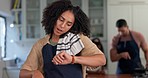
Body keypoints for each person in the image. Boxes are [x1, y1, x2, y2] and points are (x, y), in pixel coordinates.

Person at [19, 0, 106, 78]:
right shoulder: (40, 45)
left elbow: (101, 60)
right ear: (54, 17)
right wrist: (34, 73)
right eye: (61, 19)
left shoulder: (78, 39)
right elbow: (23, 73)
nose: (62, 26)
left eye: (68, 24)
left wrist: (73, 59)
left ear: (72, 26)